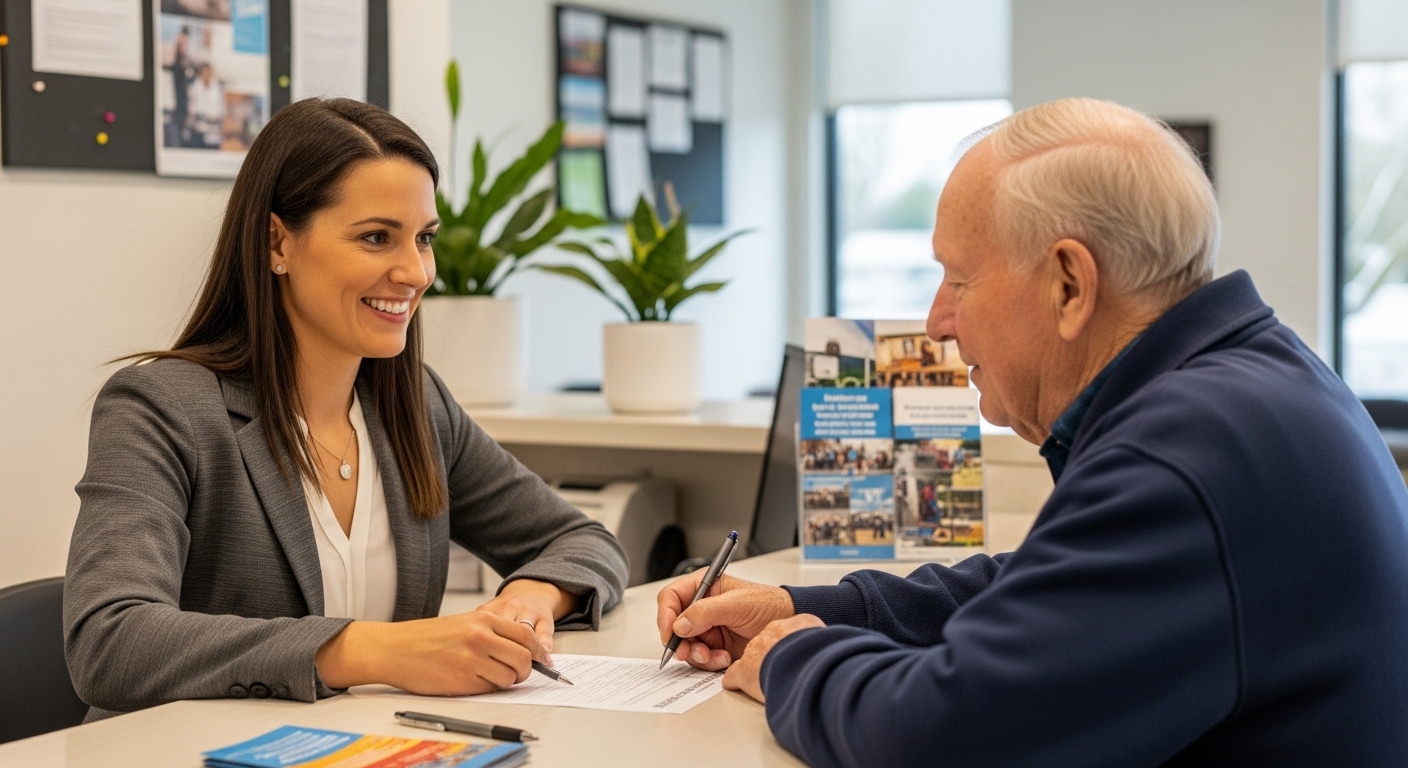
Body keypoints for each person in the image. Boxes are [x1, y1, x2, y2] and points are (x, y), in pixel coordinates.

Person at [656, 98, 1408, 766]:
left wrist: (797, 656)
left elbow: (937, 737)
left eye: (958, 279)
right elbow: (1050, 587)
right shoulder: (1248, 385)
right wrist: (809, 607)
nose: (936, 322)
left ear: (1070, 286)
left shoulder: (1186, 456)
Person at [65, 98, 629, 722]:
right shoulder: (160, 409)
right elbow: (110, 641)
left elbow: (580, 538)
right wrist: (374, 649)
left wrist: (530, 597)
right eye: (376, 238)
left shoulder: (415, 405)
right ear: (277, 241)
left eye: (424, 239)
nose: (414, 271)